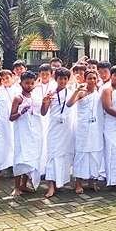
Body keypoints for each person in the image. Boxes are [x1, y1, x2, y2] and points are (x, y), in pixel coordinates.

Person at [42, 68, 75, 198]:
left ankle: (60, 183)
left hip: (66, 129)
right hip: (54, 128)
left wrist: (77, 91)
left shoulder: (71, 92)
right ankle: (50, 185)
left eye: (65, 79)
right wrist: (45, 102)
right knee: (52, 155)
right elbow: (43, 112)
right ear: (56, 79)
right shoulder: (50, 93)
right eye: (60, 78)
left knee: (64, 155)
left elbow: (70, 104)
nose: (62, 81)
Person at [69, 69, 103, 194]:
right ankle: (78, 183)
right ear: (85, 79)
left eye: (94, 78)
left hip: (96, 128)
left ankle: (92, 181)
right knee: (81, 154)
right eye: (89, 78)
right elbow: (69, 104)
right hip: (83, 128)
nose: (92, 81)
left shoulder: (99, 92)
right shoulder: (81, 93)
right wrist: (76, 91)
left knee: (95, 153)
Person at [10, 70, 44, 197]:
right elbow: (11, 117)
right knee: (20, 157)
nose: (29, 85)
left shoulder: (35, 97)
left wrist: (46, 102)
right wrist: (20, 112)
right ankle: (16, 187)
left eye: (31, 83)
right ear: (21, 83)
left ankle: (24, 185)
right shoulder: (18, 98)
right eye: (26, 83)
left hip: (33, 132)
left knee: (29, 158)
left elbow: (42, 112)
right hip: (21, 132)